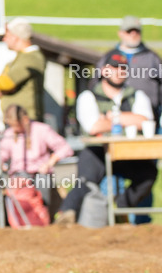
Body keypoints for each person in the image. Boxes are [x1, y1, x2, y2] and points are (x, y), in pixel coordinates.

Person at [57, 53, 157, 224]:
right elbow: (93, 127)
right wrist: (128, 118)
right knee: (86, 179)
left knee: (148, 174)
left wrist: (111, 117)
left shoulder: (137, 95)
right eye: (115, 68)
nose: (119, 72)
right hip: (98, 152)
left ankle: (122, 210)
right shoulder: (88, 96)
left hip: (128, 153)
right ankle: (67, 214)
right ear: (104, 70)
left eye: (123, 69)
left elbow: (145, 121)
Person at [94, 15, 161, 220]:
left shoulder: (152, 58)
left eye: (137, 31)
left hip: (146, 127)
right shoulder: (108, 57)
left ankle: (140, 218)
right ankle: (107, 217)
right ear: (121, 33)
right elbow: (95, 88)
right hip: (114, 128)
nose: (133, 35)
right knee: (111, 172)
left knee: (146, 172)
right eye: (129, 31)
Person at [0, 104, 73, 207]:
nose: (14, 129)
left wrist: (49, 163)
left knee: (43, 182)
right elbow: (1, 153)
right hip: (19, 174)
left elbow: (65, 148)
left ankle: (42, 214)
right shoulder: (9, 133)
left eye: (16, 125)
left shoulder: (42, 129)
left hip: (40, 173)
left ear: (24, 120)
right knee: (19, 185)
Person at [0, 18, 46, 122]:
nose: (4, 39)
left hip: (26, 121)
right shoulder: (19, 58)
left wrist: (2, 88)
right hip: (16, 121)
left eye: (7, 35)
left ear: (15, 37)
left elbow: (5, 83)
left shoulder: (32, 58)